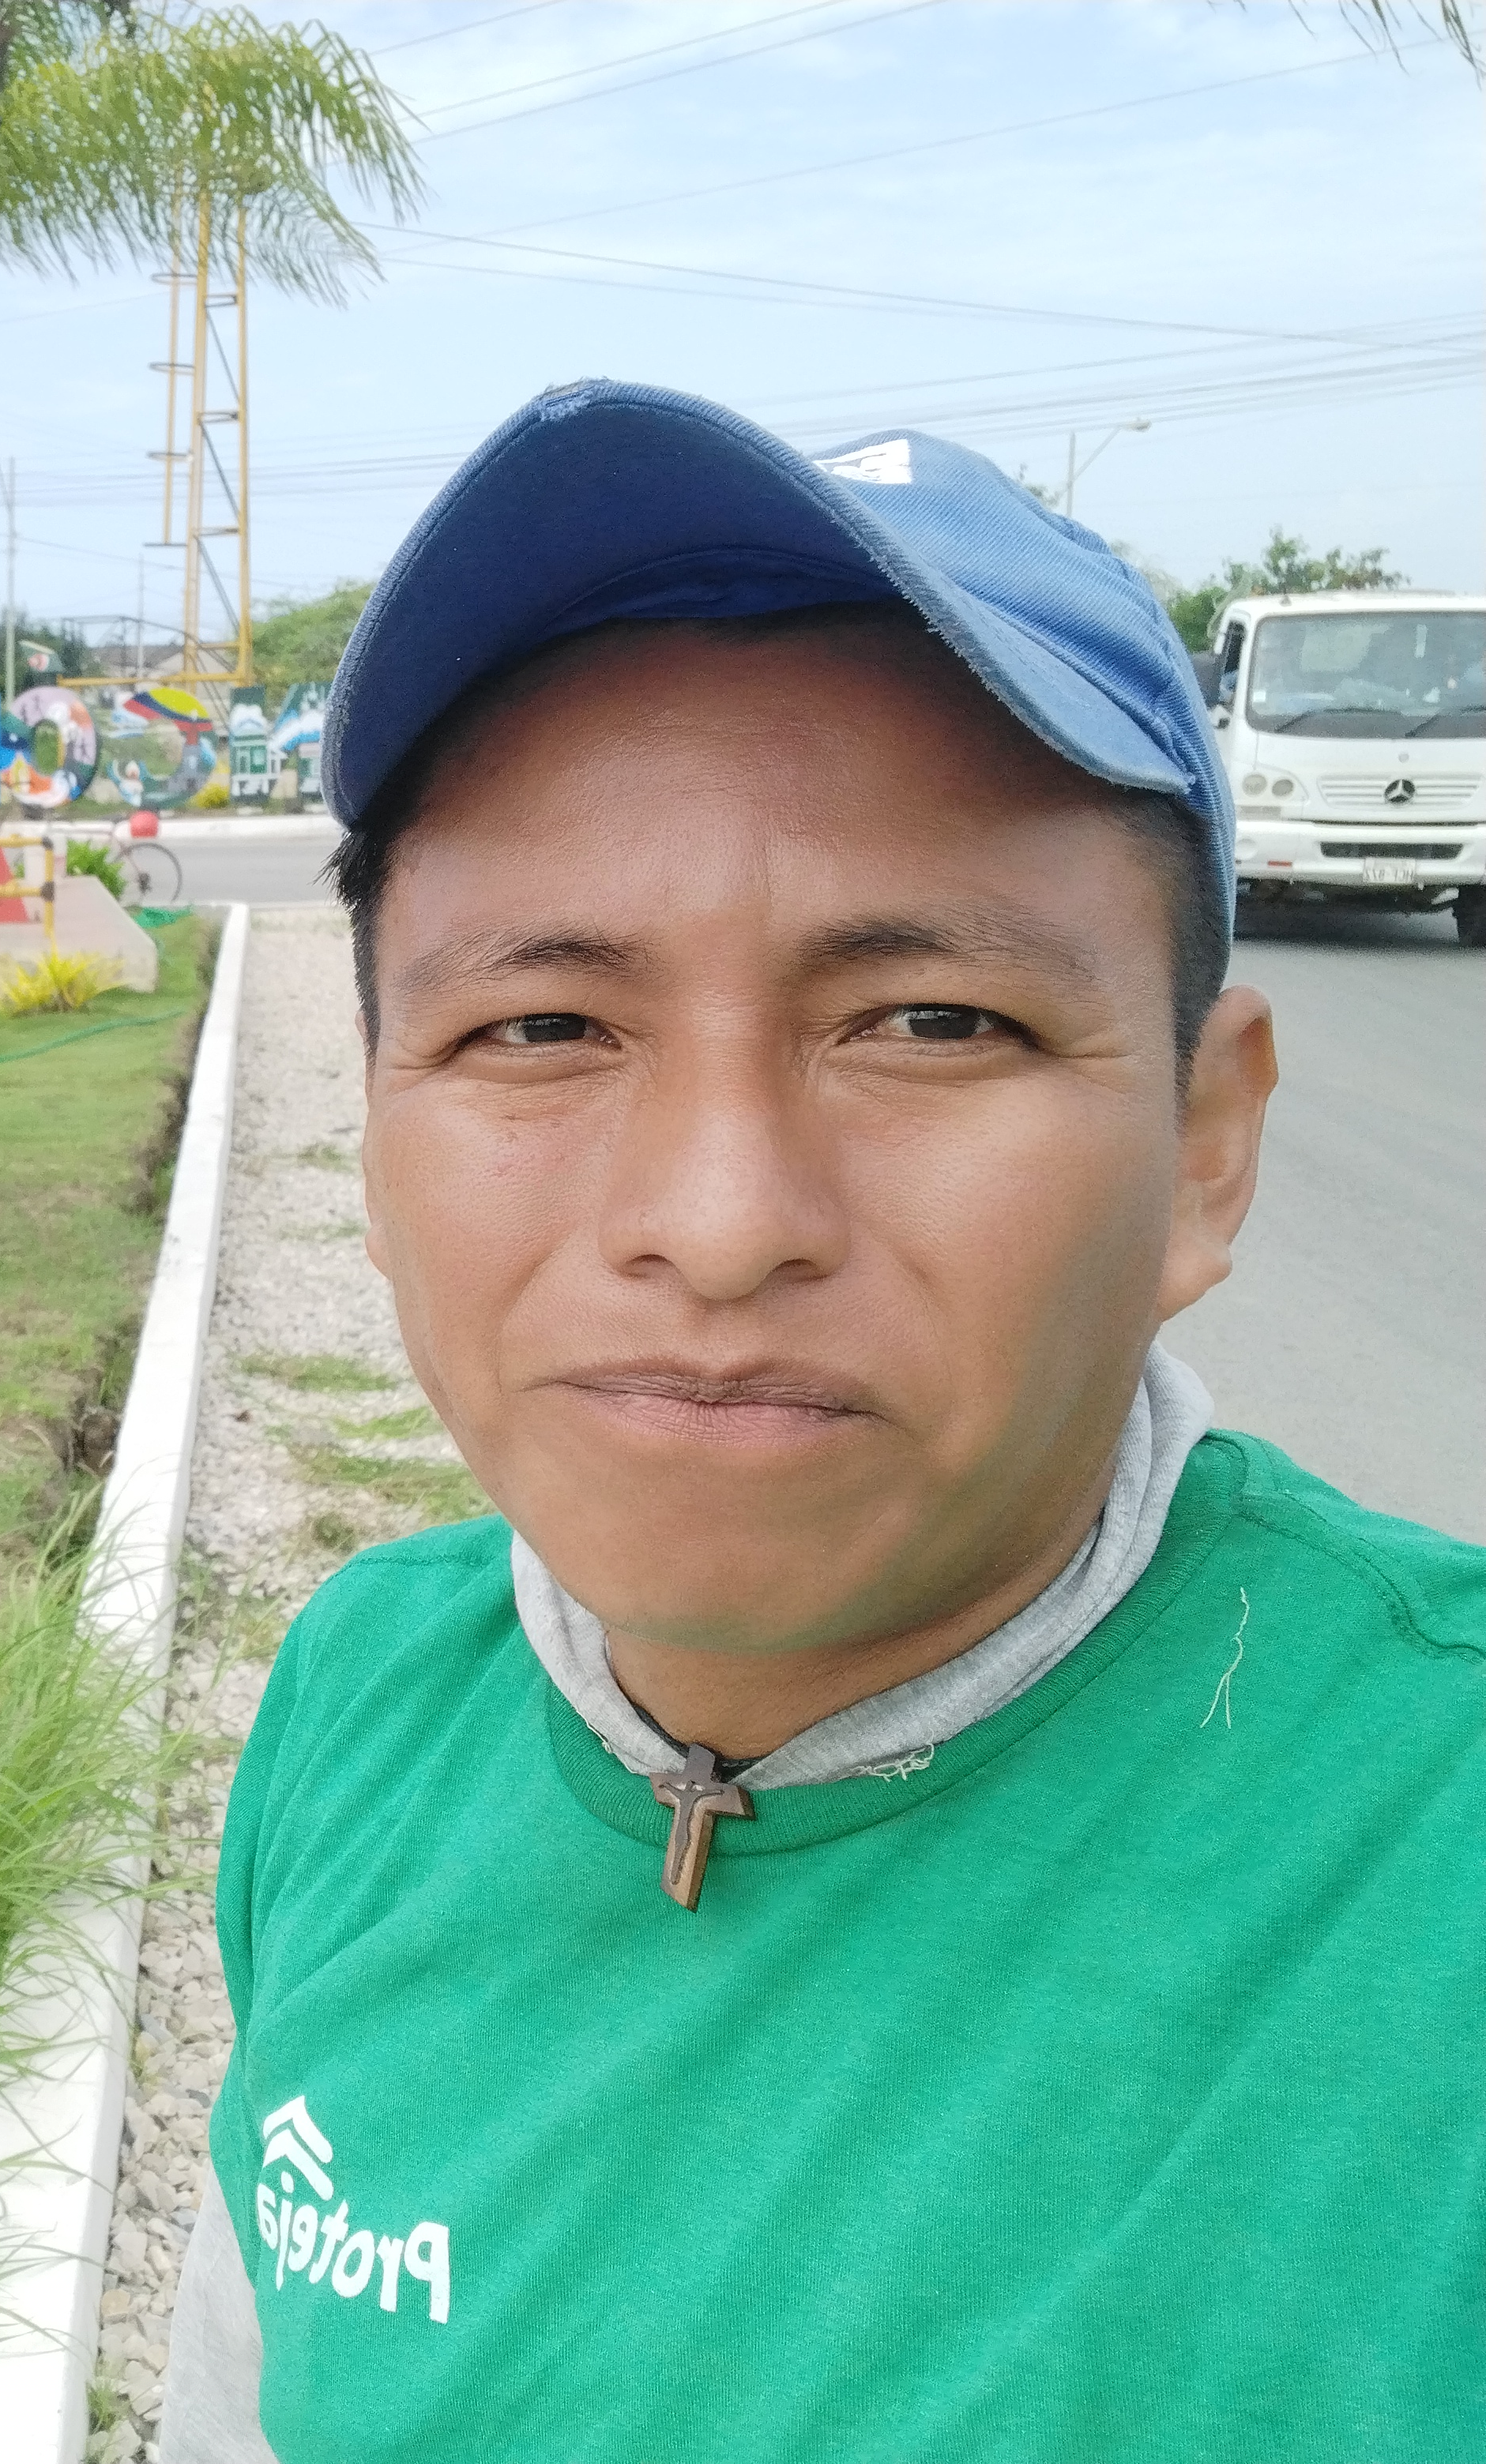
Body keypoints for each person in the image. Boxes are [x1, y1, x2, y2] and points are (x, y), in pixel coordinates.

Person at [162, 382, 1484, 2463]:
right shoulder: (363, 1700)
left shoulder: (1431, 1856)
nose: (717, 1222)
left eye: (933, 1023)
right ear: (380, 1132)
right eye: (539, 1026)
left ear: (1205, 1147)